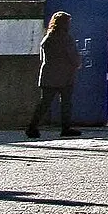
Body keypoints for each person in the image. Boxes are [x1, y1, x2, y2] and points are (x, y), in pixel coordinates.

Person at [26, 11, 81, 139]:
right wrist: (77, 63)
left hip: (48, 74)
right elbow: (73, 55)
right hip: (65, 75)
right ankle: (65, 128)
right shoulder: (66, 38)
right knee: (66, 102)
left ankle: (32, 127)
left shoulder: (47, 38)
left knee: (44, 103)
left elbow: (42, 57)